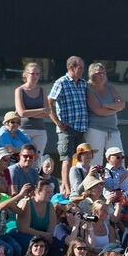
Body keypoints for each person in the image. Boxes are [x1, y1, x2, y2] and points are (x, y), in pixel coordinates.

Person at [47, 55, 89, 197]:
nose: (83, 70)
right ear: (72, 67)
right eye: (80, 67)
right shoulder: (61, 82)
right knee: (66, 158)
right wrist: (57, 122)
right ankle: (66, 188)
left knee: (79, 159)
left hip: (81, 127)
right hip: (67, 129)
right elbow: (50, 101)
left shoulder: (83, 83)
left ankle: (77, 186)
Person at [83, 61, 125, 159]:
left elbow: (122, 104)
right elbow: (98, 111)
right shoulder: (88, 88)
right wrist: (115, 108)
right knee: (95, 160)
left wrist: (106, 105)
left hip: (113, 130)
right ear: (91, 75)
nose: (102, 75)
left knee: (119, 159)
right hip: (95, 129)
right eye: (98, 73)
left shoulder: (110, 88)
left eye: (103, 73)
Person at [14, 62, 50, 157]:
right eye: (32, 73)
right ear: (26, 74)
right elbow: (21, 113)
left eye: (37, 74)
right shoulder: (20, 90)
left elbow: (47, 112)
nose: (35, 76)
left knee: (37, 158)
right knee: (24, 157)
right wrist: (41, 110)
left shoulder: (42, 90)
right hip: (24, 130)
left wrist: (29, 113)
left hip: (40, 130)